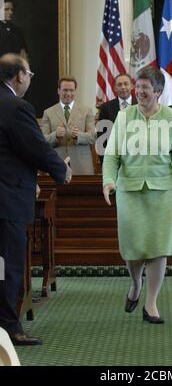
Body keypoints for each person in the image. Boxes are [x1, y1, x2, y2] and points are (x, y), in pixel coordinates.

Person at [102, 67, 172, 324]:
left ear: (158, 91)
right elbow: (112, 155)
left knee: (158, 249)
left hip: (163, 192)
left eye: (145, 87)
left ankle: (151, 302)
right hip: (129, 192)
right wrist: (108, 181)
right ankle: (135, 284)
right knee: (133, 250)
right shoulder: (124, 116)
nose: (139, 91)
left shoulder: (171, 118)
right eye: (138, 86)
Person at [0, 53, 72, 346]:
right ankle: (8, 329)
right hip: (7, 200)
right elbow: (34, 146)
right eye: (29, 74)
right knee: (9, 265)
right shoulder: (17, 107)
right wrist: (61, 170)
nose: (29, 79)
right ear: (19, 76)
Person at [40, 76, 96, 175]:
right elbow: (42, 141)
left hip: (82, 166)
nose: (68, 94)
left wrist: (79, 136)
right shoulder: (48, 112)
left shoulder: (86, 111)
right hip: (56, 165)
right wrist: (55, 135)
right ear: (58, 90)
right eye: (65, 90)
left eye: (71, 90)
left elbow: (93, 137)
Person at [97, 74, 137, 163]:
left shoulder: (141, 106)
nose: (123, 87)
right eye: (119, 85)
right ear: (115, 88)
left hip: (137, 159)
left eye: (126, 84)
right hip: (114, 159)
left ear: (132, 86)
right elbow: (101, 139)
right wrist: (104, 162)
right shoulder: (106, 108)